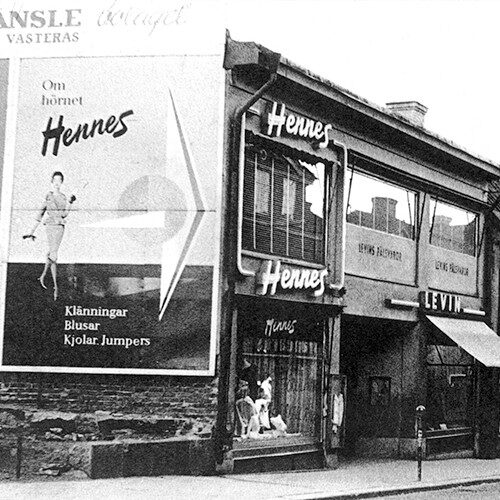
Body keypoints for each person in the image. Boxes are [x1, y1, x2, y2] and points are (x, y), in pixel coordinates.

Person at [23, 171, 76, 300]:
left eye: (59, 180)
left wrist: (70, 202)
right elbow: (40, 215)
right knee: (53, 254)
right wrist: (31, 231)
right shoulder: (48, 196)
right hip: (50, 225)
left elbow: (64, 214)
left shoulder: (63, 197)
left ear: (62, 182)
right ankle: (55, 286)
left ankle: (44, 277)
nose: (57, 183)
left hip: (60, 226)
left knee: (53, 253)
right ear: (52, 181)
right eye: (55, 180)